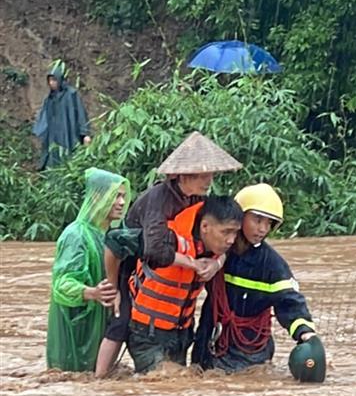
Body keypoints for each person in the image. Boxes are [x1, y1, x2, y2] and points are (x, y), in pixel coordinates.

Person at [96, 131, 242, 377]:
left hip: (174, 304)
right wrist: (194, 264)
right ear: (182, 176)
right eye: (201, 175)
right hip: (131, 260)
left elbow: (216, 238)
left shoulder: (197, 199)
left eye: (210, 174)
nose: (208, 180)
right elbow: (157, 251)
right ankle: (98, 379)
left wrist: (215, 264)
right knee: (121, 321)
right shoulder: (159, 199)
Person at [192, 184, 325, 380]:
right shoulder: (216, 248)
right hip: (208, 344)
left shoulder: (272, 265)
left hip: (249, 354)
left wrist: (306, 335)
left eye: (269, 223)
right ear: (240, 216)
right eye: (257, 220)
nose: (263, 229)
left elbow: (290, 301)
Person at [124, 195, 243, 374]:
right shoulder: (167, 237)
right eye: (226, 232)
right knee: (168, 381)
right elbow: (119, 243)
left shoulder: (216, 245)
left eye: (235, 233)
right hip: (147, 333)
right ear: (205, 227)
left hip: (181, 334)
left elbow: (240, 247)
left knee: (177, 393)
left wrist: (217, 263)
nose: (231, 240)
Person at [46, 169, 130, 371]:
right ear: (98, 198)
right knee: (70, 375)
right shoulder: (76, 234)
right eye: (115, 196)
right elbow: (62, 284)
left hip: (101, 323)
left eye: (123, 197)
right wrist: (92, 292)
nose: (120, 203)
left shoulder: (112, 235)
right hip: (76, 324)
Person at [32, 62, 91, 169]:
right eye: (49, 80)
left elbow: (80, 114)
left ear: (60, 79)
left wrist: (85, 133)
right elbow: (44, 119)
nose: (51, 83)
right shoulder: (49, 100)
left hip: (69, 133)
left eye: (54, 80)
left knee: (69, 159)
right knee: (53, 159)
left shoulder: (71, 95)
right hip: (54, 137)